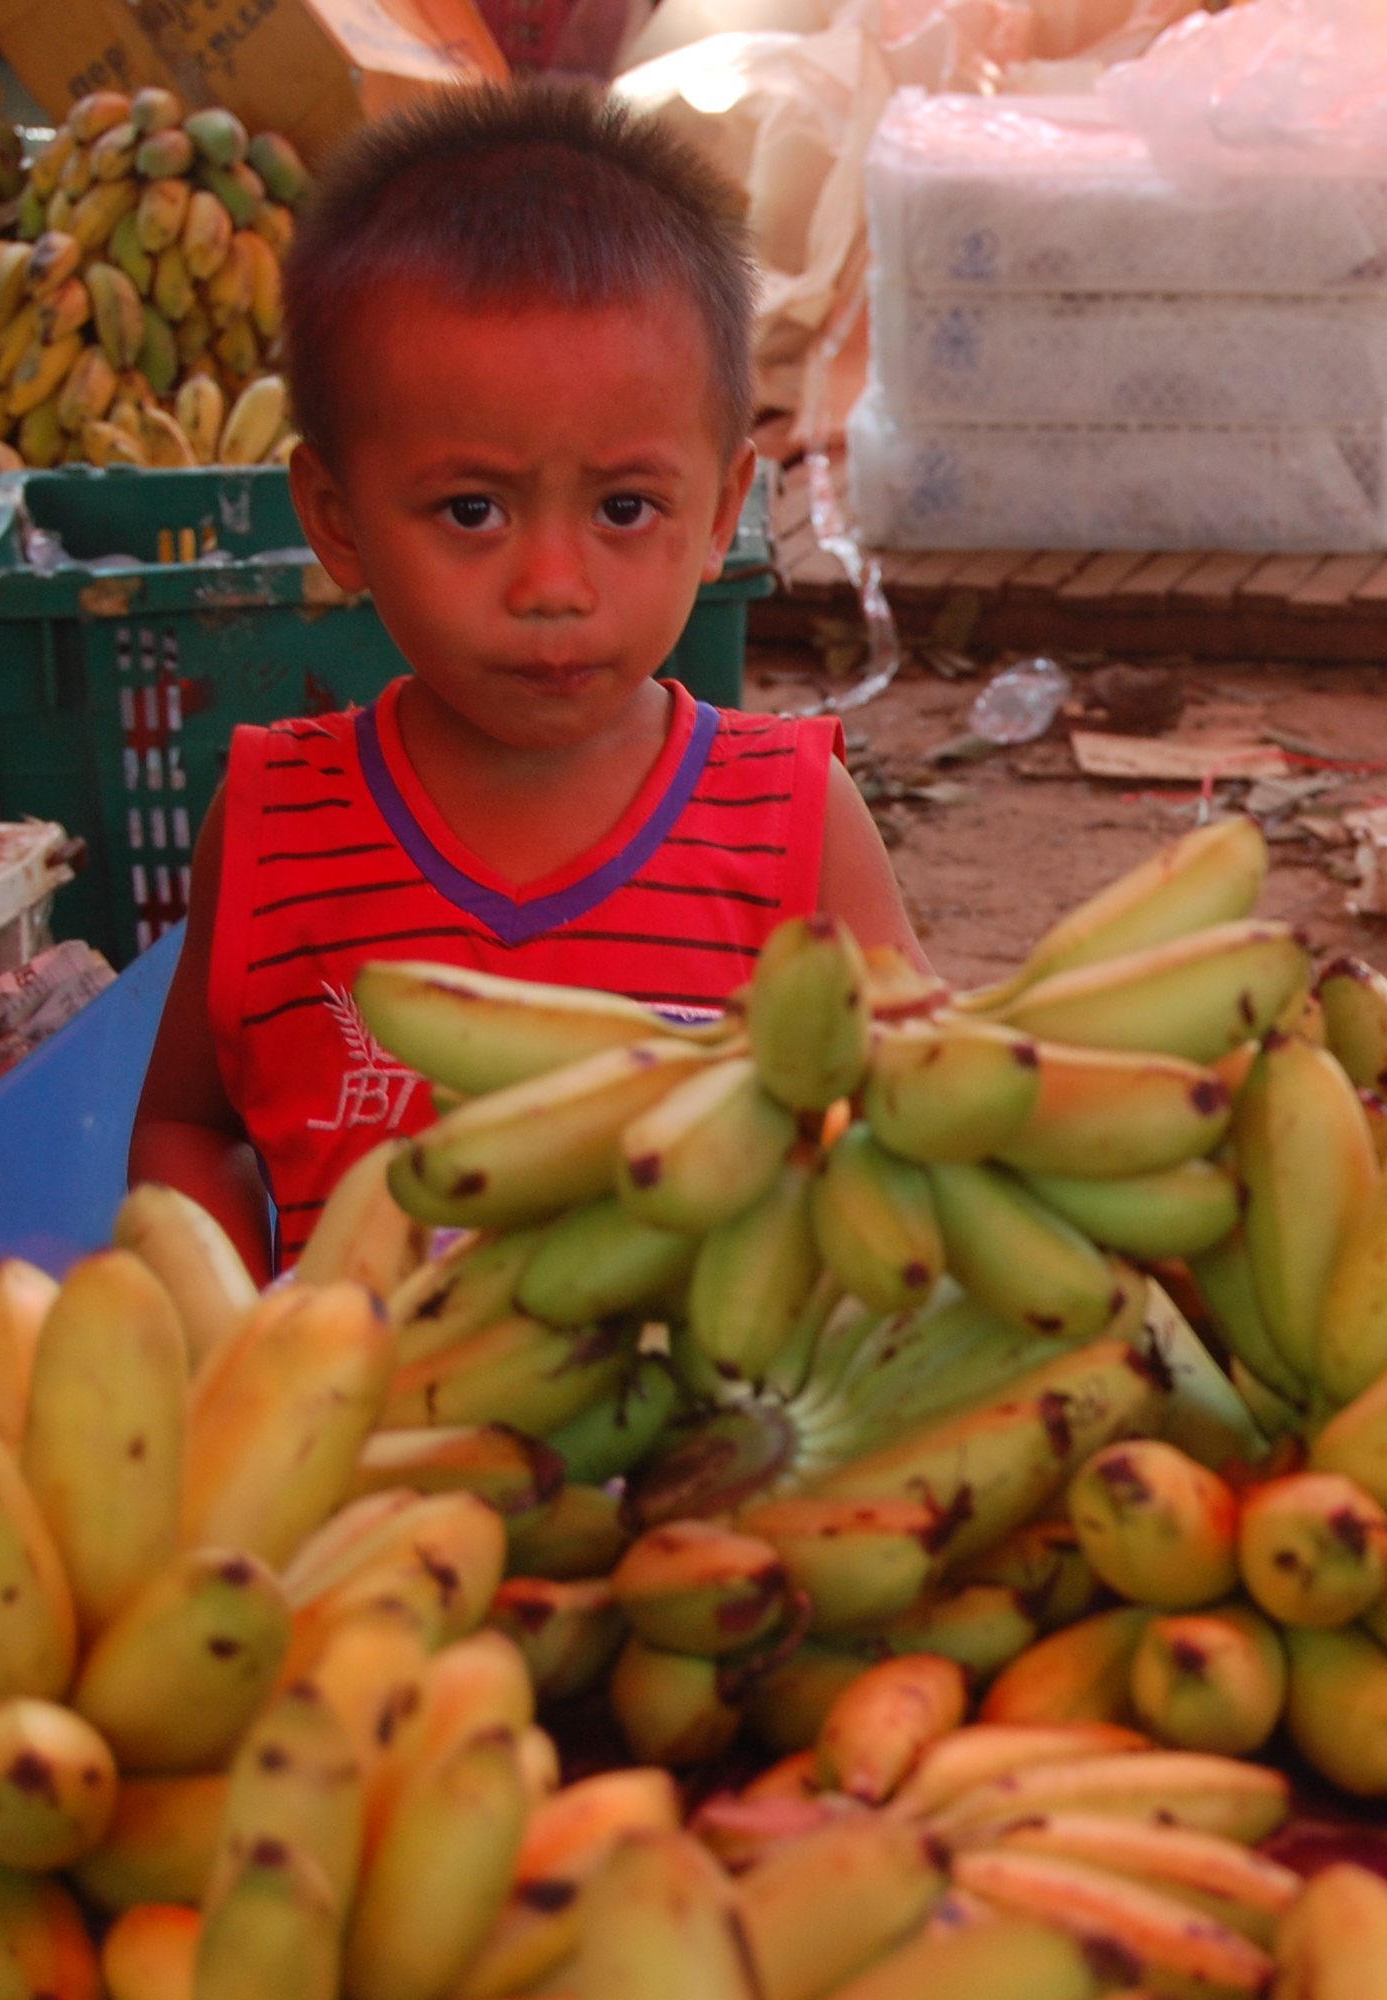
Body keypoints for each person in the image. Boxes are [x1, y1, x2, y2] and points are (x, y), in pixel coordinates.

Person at [131, 82, 924, 1281]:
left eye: (623, 508)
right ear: (336, 521)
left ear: (720, 514)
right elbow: (189, 1122)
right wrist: (226, 1308)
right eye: (472, 509)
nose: (553, 582)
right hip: (348, 1441)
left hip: (703, 1435)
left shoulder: (792, 826)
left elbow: (920, 1110)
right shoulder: (273, 824)